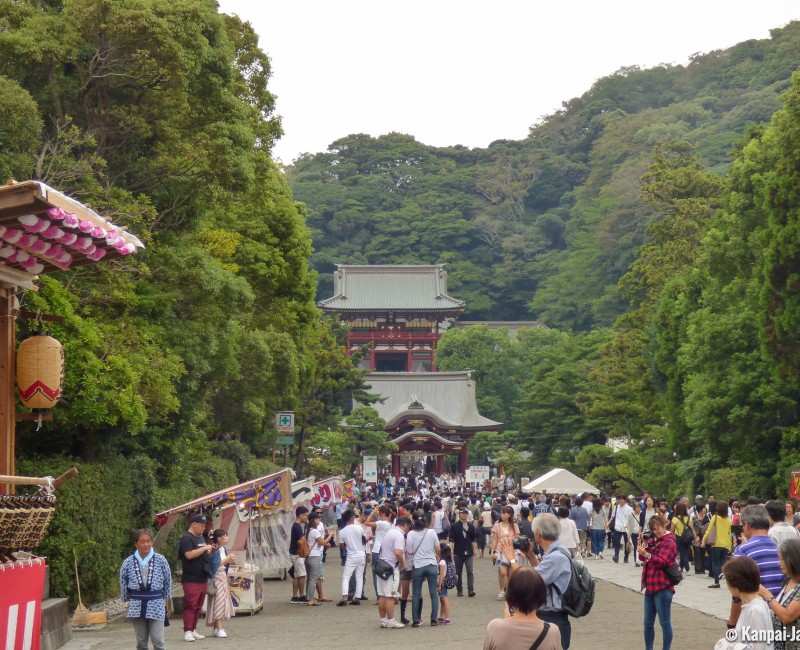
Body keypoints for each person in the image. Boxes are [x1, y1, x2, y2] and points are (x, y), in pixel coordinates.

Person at [482, 567, 562, 650]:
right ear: (541, 595)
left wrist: (504, 622)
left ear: (510, 595)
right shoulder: (552, 631)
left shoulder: (495, 627)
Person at [730, 505, 783, 628]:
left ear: (747, 525)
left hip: (756, 616)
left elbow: (738, 593)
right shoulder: (780, 549)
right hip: (779, 613)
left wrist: (732, 622)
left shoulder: (743, 550)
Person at [120, 529, 172, 650]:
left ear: (152, 542)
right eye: (142, 542)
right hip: (136, 604)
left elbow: (167, 579)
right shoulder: (128, 562)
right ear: (136, 543)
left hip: (156, 603)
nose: (146, 544)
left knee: (158, 641)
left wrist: (165, 596)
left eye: (148, 541)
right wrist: (127, 598)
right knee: (141, 642)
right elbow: (123, 581)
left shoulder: (160, 560)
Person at [526, 513, 572, 650]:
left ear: (538, 535)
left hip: (551, 617)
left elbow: (528, 582)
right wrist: (531, 556)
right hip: (554, 618)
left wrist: (511, 558)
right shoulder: (559, 550)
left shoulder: (555, 557)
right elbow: (543, 573)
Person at [638, 514, 678, 650]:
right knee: (647, 623)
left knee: (665, 623)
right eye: (652, 530)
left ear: (664, 526)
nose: (655, 532)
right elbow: (643, 558)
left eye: (657, 529)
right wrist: (644, 545)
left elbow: (662, 561)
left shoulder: (669, 542)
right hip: (650, 586)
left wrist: (647, 554)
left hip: (663, 586)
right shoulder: (655, 540)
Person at [722, 556, 774, 650]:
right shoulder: (754, 605)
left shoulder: (755, 610)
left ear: (735, 585)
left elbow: (758, 647)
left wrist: (726, 645)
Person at [759, 538, 800, 650]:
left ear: (793, 560)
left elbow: (787, 616)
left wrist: (766, 595)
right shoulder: (788, 581)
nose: (779, 563)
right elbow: (779, 609)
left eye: (782, 559)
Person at [179, 515, 213, 642]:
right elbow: (189, 555)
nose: (204, 528)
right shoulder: (186, 539)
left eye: (205, 526)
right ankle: (187, 631)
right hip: (191, 578)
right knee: (190, 605)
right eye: (202, 525)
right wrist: (204, 548)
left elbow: (202, 554)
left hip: (202, 576)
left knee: (198, 606)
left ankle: (193, 629)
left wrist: (209, 551)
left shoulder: (201, 538)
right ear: (194, 524)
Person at [377, 515, 411, 629]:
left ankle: (383, 620)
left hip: (382, 567)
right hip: (391, 568)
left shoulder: (390, 532)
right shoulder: (399, 535)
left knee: (382, 595)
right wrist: (404, 564)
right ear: (406, 525)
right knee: (390, 595)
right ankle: (391, 620)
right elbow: (398, 553)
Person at [407, 513, 441, 626]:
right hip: (431, 564)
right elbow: (438, 548)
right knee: (433, 593)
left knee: (416, 593)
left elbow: (409, 552)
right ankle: (433, 619)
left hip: (418, 565)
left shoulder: (411, 534)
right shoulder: (431, 532)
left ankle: (416, 620)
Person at [205, 529, 235, 637]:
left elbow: (223, 563)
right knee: (219, 602)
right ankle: (219, 627)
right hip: (217, 577)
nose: (227, 538)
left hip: (222, 575)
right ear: (219, 538)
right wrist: (227, 559)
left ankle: (216, 628)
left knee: (220, 601)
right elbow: (215, 565)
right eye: (225, 536)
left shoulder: (223, 549)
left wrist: (229, 560)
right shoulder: (214, 549)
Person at [338, 509, 367, 605]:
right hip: (361, 554)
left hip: (351, 555)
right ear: (351, 518)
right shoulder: (359, 528)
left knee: (346, 576)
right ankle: (357, 597)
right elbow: (364, 540)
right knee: (359, 576)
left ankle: (344, 597)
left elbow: (342, 546)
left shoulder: (342, 532)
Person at [491, 506, 520, 600]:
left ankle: (510, 591)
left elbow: (517, 539)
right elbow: (495, 539)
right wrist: (492, 552)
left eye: (504, 513)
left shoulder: (514, 526)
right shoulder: (497, 525)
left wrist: (520, 551)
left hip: (512, 551)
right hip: (501, 552)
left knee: (511, 573)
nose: (502, 515)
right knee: (502, 572)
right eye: (501, 513)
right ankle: (502, 590)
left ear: (509, 514)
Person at [305, 511, 334, 606]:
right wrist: (330, 536)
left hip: (309, 556)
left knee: (310, 578)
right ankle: (310, 599)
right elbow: (323, 542)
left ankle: (309, 597)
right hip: (315, 556)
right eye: (318, 518)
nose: (319, 520)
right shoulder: (314, 531)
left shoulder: (308, 530)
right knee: (313, 578)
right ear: (314, 520)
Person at [702, 500, 732, 588]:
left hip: (716, 544)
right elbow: (729, 533)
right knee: (723, 563)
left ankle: (716, 582)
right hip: (725, 544)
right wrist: (730, 545)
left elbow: (709, 530)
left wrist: (704, 540)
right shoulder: (728, 520)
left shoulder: (715, 518)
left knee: (715, 563)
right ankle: (727, 580)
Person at [449, 507, 477, 597]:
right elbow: (451, 540)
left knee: (470, 571)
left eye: (466, 513)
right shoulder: (454, 526)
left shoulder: (471, 526)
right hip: (458, 552)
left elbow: (473, 540)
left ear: (468, 514)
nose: (464, 514)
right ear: (459, 514)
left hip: (469, 552)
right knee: (458, 572)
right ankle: (459, 590)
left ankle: (470, 589)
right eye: (462, 513)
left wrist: (474, 549)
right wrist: (451, 551)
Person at [289, 506, 309, 603]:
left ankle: (295, 596)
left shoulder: (296, 526)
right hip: (297, 555)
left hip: (294, 554)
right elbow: (301, 541)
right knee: (301, 575)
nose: (306, 518)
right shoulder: (297, 527)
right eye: (306, 515)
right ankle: (301, 595)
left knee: (297, 575)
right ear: (300, 515)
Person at [669, 502, 692, 574]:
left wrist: (671, 538)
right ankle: (681, 567)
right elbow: (692, 528)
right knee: (685, 552)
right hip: (688, 538)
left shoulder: (675, 519)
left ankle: (687, 569)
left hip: (679, 538)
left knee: (683, 553)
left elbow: (672, 530)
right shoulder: (689, 518)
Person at [610, 494, 633, 564]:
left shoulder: (629, 508)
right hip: (618, 527)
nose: (621, 500)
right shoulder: (616, 507)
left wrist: (629, 527)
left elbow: (631, 518)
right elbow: (612, 516)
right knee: (617, 542)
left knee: (627, 543)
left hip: (626, 528)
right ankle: (616, 556)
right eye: (620, 499)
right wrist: (608, 523)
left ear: (625, 500)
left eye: (622, 499)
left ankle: (626, 557)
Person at [437, 542, 453, 625]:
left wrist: (439, 585)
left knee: (444, 598)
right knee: (442, 599)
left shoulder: (442, 562)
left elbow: (441, 575)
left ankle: (447, 618)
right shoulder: (448, 560)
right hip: (445, 582)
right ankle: (441, 616)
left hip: (442, 582)